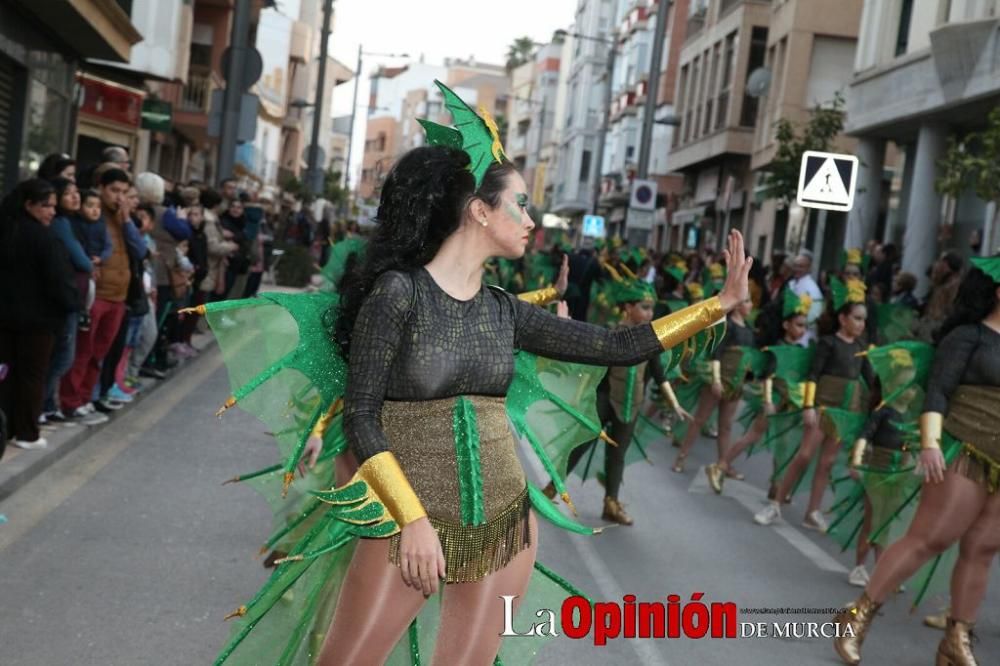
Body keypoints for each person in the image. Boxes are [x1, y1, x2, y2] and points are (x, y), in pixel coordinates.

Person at [206, 81, 753, 665]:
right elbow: (364, 418)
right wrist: (412, 521)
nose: (531, 219)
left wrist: (716, 305)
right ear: (479, 210)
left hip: (505, 525)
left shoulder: (505, 309)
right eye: (520, 203)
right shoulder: (398, 295)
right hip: (405, 523)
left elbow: (619, 346)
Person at [833, 256, 1000, 666]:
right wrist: (931, 444)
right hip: (961, 445)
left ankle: (955, 640)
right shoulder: (968, 336)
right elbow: (938, 391)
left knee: (983, 547)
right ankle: (856, 617)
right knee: (932, 537)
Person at [556, 276, 690, 525]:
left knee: (618, 455)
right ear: (628, 308)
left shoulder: (650, 339)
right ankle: (551, 488)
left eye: (651, 308)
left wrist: (674, 403)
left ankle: (611, 502)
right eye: (645, 307)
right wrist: (579, 397)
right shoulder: (611, 333)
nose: (650, 314)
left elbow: (659, 373)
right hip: (604, 399)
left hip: (632, 404)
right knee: (580, 443)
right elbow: (592, 368)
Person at [755, 277, 873, 530]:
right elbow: (814, 375)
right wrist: (809, 406)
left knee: (827, 462)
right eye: (857, 318)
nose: (861, 324)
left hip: (844, 411)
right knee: (805, 455)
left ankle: (813, 511)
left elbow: (869, 380)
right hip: (821, 407)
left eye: (864, 319)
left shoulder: (862, 348)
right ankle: (775, 504)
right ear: (843, 319)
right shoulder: (828, 343)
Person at [0, 179, 78, 450]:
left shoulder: (7, 229)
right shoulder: (45, 238)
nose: (52, 212)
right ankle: (27, 432)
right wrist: (72, 305)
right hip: (38, 322)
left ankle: (6, 429)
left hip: (6, 320)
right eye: (46, 206)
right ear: (29, 205)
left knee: (6, 374)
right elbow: (60, 283)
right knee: (33, 376)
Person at [59, 169, 132, 420]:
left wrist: (127, 218)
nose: (119, 197)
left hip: (118, 296)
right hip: (96, 294)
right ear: (100, 187)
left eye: (124, 192)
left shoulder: (121, 218)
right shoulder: (88, 218)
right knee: (83, 352)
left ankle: (85, 397)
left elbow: (139, 248)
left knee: (99, 353)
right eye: (114, 191)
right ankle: (69, 401)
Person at [42, 178, 93, 424]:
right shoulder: (60, 224)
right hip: (64, 298)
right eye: (68, 193)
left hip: (73, 296)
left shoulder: (69, 222)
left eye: (76, 192)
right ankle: (42, 404)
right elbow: (82, 262)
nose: (75, 197)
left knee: (63, 354)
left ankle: (48, 404)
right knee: (62, 356)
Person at [787, 252, 824, 345]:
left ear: (809, 268)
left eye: (801, 266)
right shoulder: (791, 283)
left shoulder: (812, 289)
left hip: (804, 336)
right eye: (795, 266)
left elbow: (814, 316)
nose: (796, 269)